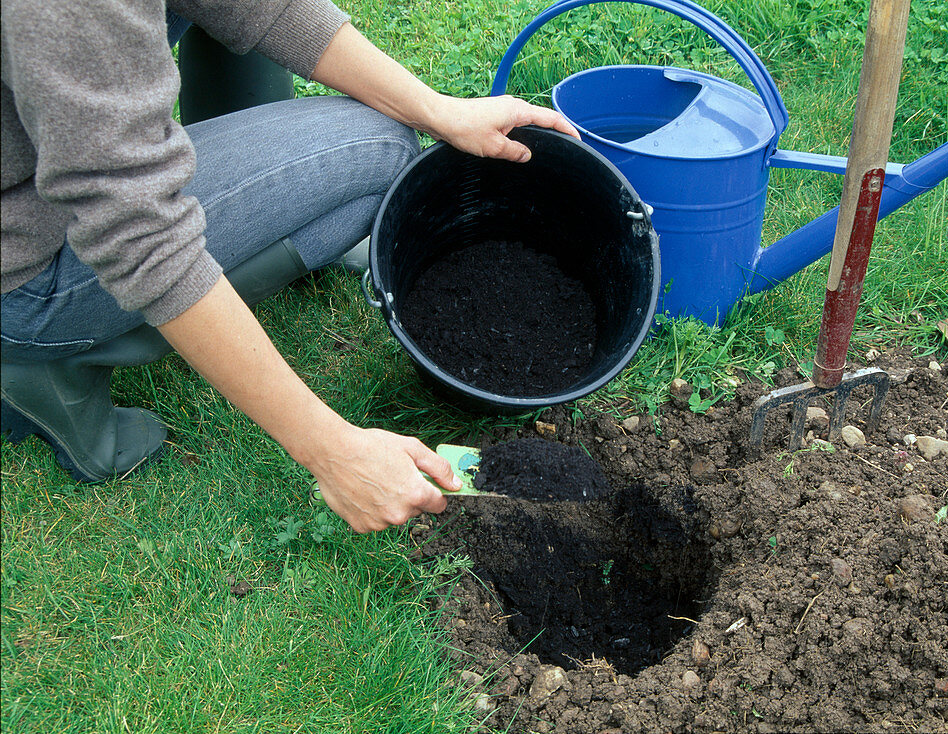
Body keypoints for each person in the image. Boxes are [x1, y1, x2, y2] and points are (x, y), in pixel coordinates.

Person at [1, 0, 578, 533]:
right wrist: (331, 449)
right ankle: (44, 357)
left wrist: (439, 109)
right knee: (381, 149)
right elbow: (140, 233)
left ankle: (268, 220)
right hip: (24, 263)